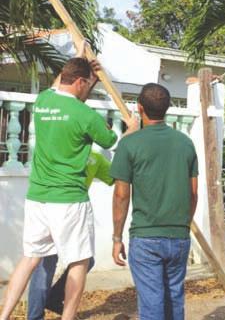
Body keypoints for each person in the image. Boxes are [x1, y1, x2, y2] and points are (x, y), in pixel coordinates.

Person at [0, 53, 122, 320]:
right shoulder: (86, 115)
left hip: (37, 196)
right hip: (68, 199)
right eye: (86, 83)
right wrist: (133, 128)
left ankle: (4, 315)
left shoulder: (43, 101)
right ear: (80, 82)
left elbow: (61, 84)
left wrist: (80, 60)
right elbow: (112, 140)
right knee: (79, 263)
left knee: (29, 258)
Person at [110, 83, 198, 320]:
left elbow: (121, 195)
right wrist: (183, 226)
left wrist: (117, 238)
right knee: (174, 300)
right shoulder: (185, 143)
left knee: (152, 305)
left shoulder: (129, 144)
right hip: (178, 235)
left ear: (140, 108)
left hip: (146, 236)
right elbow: (192, 193)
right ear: (167, 108)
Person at [28, 151, 114, 320]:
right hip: (72, 212)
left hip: (47, 207)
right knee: (82, 261)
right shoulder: (94, 158)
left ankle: (37, 313)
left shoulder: (55, 148)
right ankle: (51, 301)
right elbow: (117, 174)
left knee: (45, 263)